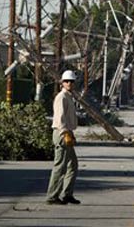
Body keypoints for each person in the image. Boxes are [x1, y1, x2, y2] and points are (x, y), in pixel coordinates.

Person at [46, 70, 81, 205]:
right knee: (60, 166)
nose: (70, 83)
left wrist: (71, 134)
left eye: (72, 81)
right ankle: (52, 196)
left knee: (73, 165)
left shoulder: (69, 96)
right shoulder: (61, 97)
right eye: (67, 81)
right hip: (61, 133)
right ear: (62, 83)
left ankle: (67, 194)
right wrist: (66, 133)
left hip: (67, 133)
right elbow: (60, 118)